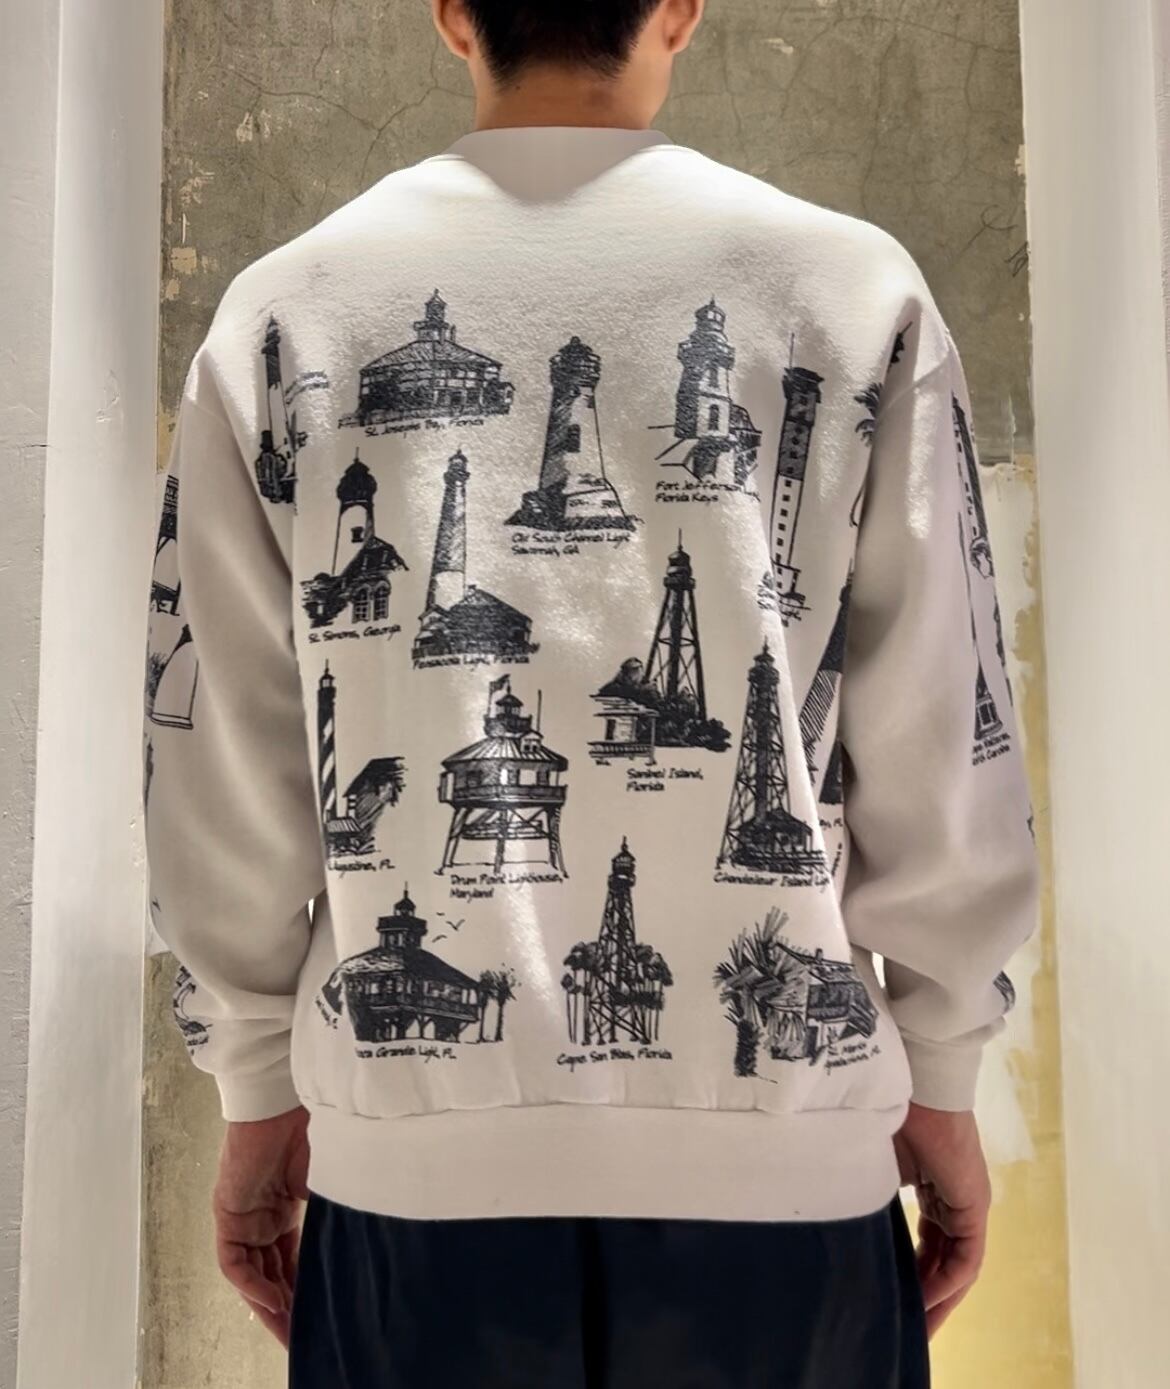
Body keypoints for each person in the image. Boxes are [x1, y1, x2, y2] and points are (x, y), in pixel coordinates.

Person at [142, 1, 1039, 1384]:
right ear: (679, 7)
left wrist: (256, 1082)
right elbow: (940, 728)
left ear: (453, 15)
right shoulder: (853, 288)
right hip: (784, 1181)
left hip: (413, 1184)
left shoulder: (285, 309)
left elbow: (224, 763)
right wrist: (943, 1063)